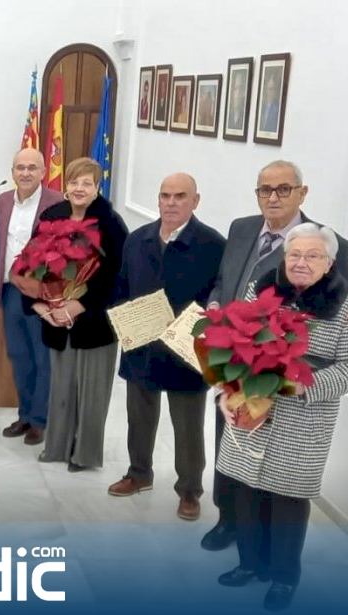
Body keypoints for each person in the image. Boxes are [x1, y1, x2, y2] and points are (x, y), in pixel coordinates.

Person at [201, 159, 348, 551]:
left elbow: (345, 301)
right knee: (230, 444)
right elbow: (225, 282)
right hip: (238, 363)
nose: (273, 197)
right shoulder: (241, 228)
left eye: (283, 189)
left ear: (302, 193)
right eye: (265, 189)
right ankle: (228, 520)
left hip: (287, 380)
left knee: (278, 480)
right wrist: (215, 307)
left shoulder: (328, 242)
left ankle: (271, 553)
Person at [215, 223, 348, 612]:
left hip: (302, 419)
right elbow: (233, 341)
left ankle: (284, 577)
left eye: (313, 256)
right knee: (245, 492)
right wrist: (225, 391)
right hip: (251, 408)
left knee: (288, 500)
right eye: (295, 254)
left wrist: (304, 385)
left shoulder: (346, 307)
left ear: (330, 263)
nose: (301, 262)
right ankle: (249, 564)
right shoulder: (262, 290)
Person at [106, 173, 225, 521]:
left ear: (195, 201)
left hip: (185, 350)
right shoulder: (138, 239)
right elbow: (122, 286)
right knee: (139, 417)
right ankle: (139, 473)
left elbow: (218, 295)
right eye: (165, 196)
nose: (171, 203)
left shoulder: (213, 244)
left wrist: (198, 328)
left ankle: (189, 489)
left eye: (180, 196)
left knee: (187, 426)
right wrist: (123, 320)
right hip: (141, 345)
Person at [28, 158, 129, 471]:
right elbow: (30, 262)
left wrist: (80, 304)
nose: (79, 188)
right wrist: (41, 304)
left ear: (98, 187)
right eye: (74, 182)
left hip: (96, 323)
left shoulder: (110, 223)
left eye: (87, 183)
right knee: (61, 387)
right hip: (57, 318)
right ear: (65, 185)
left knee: (91, 392)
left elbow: (116, 277)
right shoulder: (51, 216)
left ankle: (84, 455)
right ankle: (57, 447)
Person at [0, 148, 63, 445]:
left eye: (31, 168)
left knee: (41, 357)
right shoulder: (1, 201)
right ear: (12, 172)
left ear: (43, 172)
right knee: (19, 355)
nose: (25, 173)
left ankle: (39, 420)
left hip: (41, 293)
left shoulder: (57, 203)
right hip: (11, 290)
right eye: (20, 167)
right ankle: (24, 415)